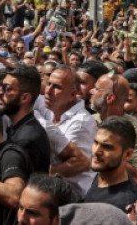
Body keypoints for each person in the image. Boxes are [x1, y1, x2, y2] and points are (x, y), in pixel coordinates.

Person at [41, 66, 96, 196]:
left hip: (76, 198)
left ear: (72, 94)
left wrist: (40, 173)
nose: (48, 91)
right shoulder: (49, 112)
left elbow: (79, 164)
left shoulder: (81, 122)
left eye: (57, 87)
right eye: (48, 84)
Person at [0, 64, 50, 174]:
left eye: (7, 89)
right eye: (1, 86)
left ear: (25, 98)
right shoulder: (18, 127)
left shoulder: (26, 140)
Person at [83, 116, 137, 210]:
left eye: (107, 147)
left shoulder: (126, 204)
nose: (96, 151)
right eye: (96, 142)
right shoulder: (100, 176)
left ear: (128, 154)